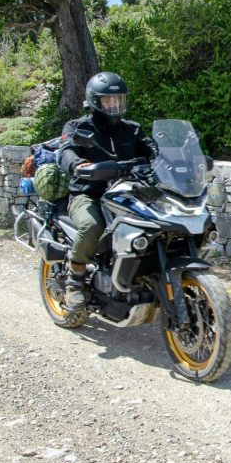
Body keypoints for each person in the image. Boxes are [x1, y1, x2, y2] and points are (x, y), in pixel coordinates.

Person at [58, 72, 156, 312]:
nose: (114, 105)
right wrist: (76, 164)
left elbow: (153, 149)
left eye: (119, 100)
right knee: (91, 226)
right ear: (95, 101)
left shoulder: (132, 129)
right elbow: (66, 150)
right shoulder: (78, 127)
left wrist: (173, 158)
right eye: (108, 100)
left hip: (128, 194)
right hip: (88, 194)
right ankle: (75, 281)